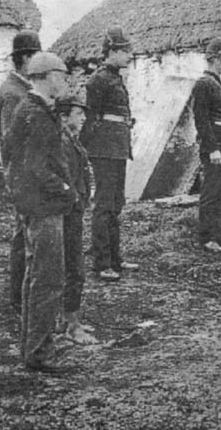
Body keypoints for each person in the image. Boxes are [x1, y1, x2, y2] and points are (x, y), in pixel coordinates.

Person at [5, 52, 75, 372]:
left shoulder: (30, 109)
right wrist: (66, 189)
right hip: (44, 207)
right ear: (47, 77)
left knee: (35, 277)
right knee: (48, 280)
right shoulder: (36, 113)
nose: (65, 81)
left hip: (34, 205)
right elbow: (36, 168)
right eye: (62, 75)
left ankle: (32, 347)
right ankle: (39, 353)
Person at [81, 26, 138, 282]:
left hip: (117, 148)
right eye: (125, 51)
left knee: (116, 203)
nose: (129, 55)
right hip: (104, 149)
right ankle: (102, 263)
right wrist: (86, 149)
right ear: (112, 51)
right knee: (104, 205)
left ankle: (115, 258)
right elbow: (91, 117)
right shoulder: (99, 80)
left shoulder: (114, 77)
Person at [0, 30, 42, 311]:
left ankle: (21, 296)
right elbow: (13, 141)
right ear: (24, 59)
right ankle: (19, 297)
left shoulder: (20, 89)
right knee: (24, 236)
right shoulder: (12, 93)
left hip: (26, 173)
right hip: (23, 175)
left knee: (25, 234)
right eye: (36, 57)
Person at [191, 37, 221, 253]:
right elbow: (201, 119)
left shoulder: (220, 84)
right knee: (211, 192)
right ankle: (206, 237)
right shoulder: (203, 84)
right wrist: (212, 148)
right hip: (216, 149)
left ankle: (218, 233)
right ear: (218, 58)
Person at [56, 95, 97, 345]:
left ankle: (67, 319)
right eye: (78, 114)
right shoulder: (62, 142)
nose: (83, 118)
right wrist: (74, 199)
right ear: (63, 117)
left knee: (71, 266)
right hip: (67, 212)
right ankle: (71, 326)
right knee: (74, 268)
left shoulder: (70, 139)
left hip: (73, 210)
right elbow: (65, 179)